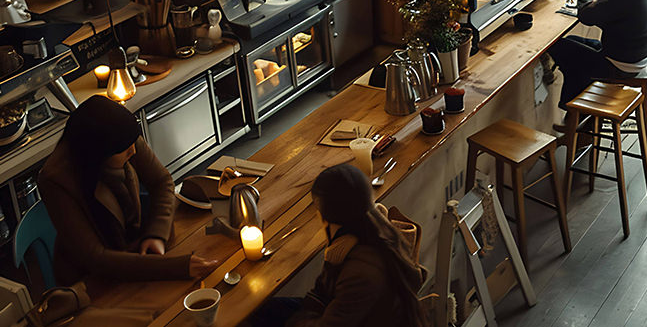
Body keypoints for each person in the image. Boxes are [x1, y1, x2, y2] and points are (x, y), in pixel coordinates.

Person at [38, 95, 218, 285]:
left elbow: (161, 181)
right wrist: (177, 267)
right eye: (126, 149)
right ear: (98, 154)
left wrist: (156, 234)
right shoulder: (56, 179)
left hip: (135, 249)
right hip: (91, 278)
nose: (133, 151)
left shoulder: (122, 136)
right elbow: (95, 258)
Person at [248, 163, 427, 327]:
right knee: (259, 311)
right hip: (345, 308)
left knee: (254, 316)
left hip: (359, 319)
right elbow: (323, 293)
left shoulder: (361, 272)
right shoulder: (371, 225)